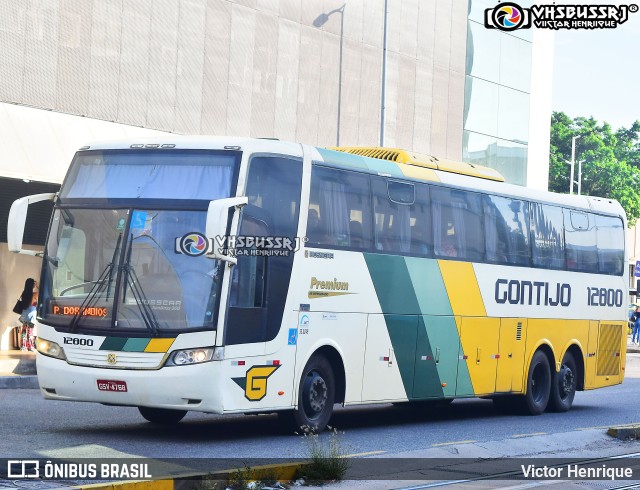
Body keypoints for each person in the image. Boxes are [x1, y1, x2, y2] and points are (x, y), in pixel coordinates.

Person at [16, 278, 38, 351]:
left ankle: (23, 347)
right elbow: (43, 294)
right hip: (31, 314)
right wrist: (38, 286)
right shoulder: (35, 294)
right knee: (30, 331)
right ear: (32, 285)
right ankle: (31, 347)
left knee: (24, 331)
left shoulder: (24, 293)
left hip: (25, 313)